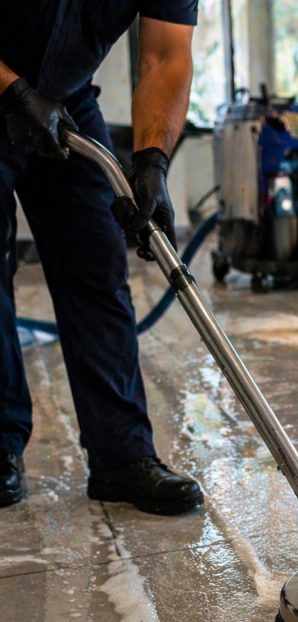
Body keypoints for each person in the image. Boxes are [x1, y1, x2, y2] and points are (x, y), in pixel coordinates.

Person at [0, 2, 204, 515]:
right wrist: (12, 91)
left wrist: (152, 160)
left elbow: (165, 53)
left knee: (97, 262)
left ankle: (121, 456)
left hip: (63, 98)